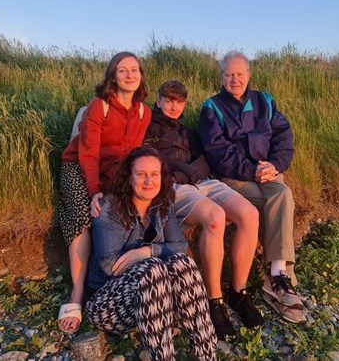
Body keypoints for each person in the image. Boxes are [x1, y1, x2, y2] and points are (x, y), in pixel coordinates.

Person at [144, 80, 263, 339]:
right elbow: (153, 162)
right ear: (158, 100)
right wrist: (184, 172)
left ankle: (238, 292)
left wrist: (191, 172)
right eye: (169, 100)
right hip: (172, 186)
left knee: (250, 215)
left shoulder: (189, 132)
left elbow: (205, 160)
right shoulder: (147, 127)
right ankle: (214, 299)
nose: (174, 106)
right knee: (215, 217)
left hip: (202, 182)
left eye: (180, 101)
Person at [199, 51, 306, 324]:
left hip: (268, 173)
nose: (235, 79)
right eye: (229, 74)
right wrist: (251, 170)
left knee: (282, 193)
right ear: (221, 77)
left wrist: (276, 165)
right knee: (266, 205)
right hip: (234, 178)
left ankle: (277, 274)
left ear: (249, 75)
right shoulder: (211, 107)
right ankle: (280, 280)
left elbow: (284, 136)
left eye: (240, 74)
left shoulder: (265, 101)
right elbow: (217, 151)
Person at [85, 147, 218, 360]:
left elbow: (180, 245)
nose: (149, 181)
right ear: (128, 178)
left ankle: (207, 354)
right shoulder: (109, 208)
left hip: (151, 305)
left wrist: (146, 251)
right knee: (153, 269)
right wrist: (151, 261)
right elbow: (111, 266)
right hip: (107, 307)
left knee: (183, 262)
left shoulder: (162, 204)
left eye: (154, 174)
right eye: (141, 174)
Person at [57, 52, 151, 333]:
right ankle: (76, 293)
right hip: (78, 167)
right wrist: (95, 190)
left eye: (135, 70)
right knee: (84, 214)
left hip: (115, 174)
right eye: (123, 70)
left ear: (141, 76)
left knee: (124, 211)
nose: (130, 75)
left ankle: (115, 281)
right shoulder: (100, 106)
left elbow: (132, 155)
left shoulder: (144, 112)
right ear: (113, 76)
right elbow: (88, 152)